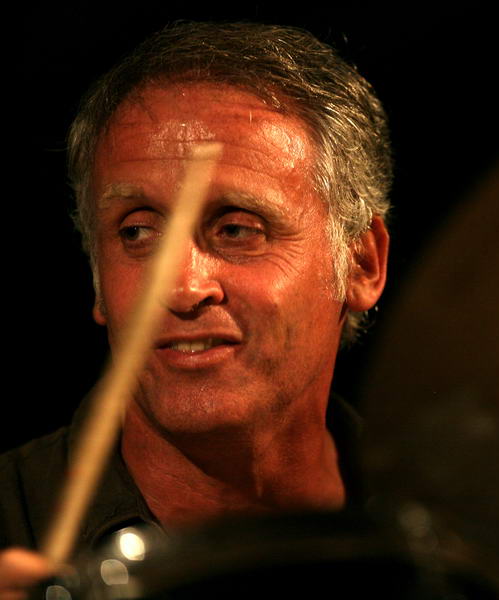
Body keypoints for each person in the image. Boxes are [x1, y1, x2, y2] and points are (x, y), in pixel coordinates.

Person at [0, 21, 391, 596]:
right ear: (98, 279)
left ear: (361, 263)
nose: (182, 288)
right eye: (136, 232)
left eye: (237, 228)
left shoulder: (467, 528)